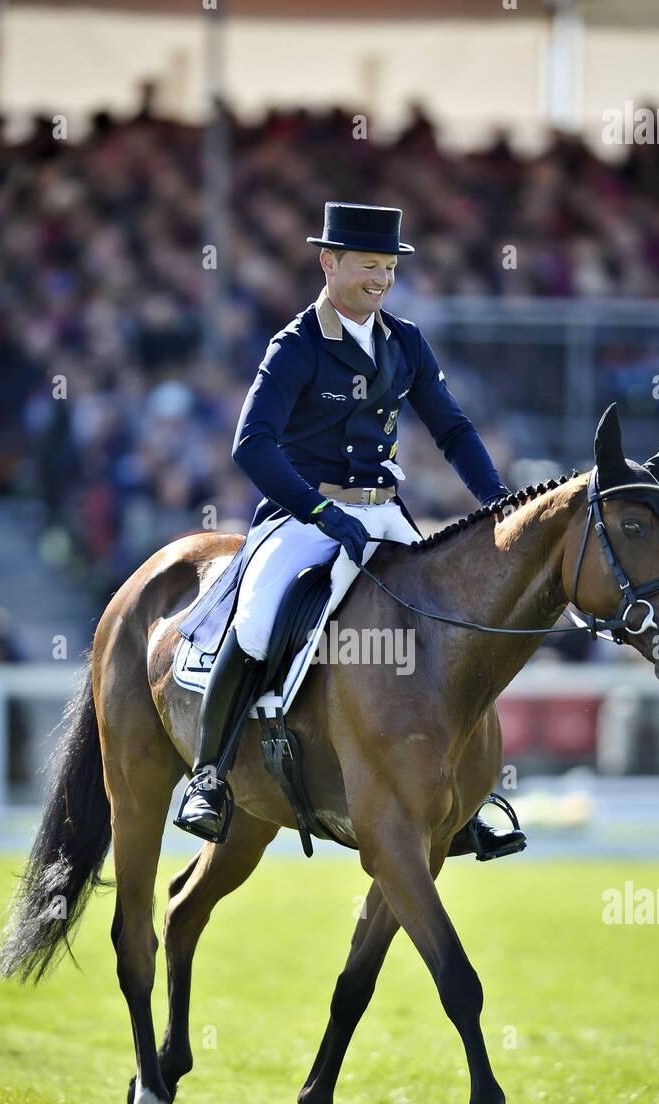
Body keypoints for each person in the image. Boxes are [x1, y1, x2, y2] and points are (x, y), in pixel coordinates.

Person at [174, 201, 518, 857]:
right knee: (255, 623)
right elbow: (252, 446)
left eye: (388, 268)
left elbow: (451, 429)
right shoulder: (296, 346)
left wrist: (496, 499)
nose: (380, 281)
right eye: (368, 267)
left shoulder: (404, 342)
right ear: (328, 262)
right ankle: (209, 777)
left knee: (449, 622)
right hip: (305, 515)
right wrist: (321, 513)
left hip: (384, 510)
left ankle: (464, 797)